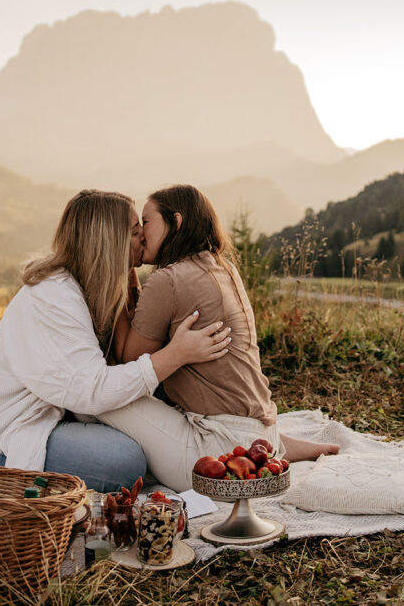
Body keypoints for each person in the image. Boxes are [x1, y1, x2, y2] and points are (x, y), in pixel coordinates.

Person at [0, 190, 231, 493]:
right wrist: (176, 354)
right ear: (109, 243)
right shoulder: (52, 297)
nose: (143, 239)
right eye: (135, 232)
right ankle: (10, 476)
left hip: (59, 413)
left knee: (142, 428)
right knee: (122, 460)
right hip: (10, 435)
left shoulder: (91, 286)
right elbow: (91, 390)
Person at [97, 185, 337, 491]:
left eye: (147, 221)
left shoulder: (168, 280)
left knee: (97, 394)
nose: (142, 233)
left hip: (216, 454)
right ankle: (279, 444)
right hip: (259, 436)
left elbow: (130, 362)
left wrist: (118, 268)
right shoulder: (223, 268)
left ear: (177, 222)